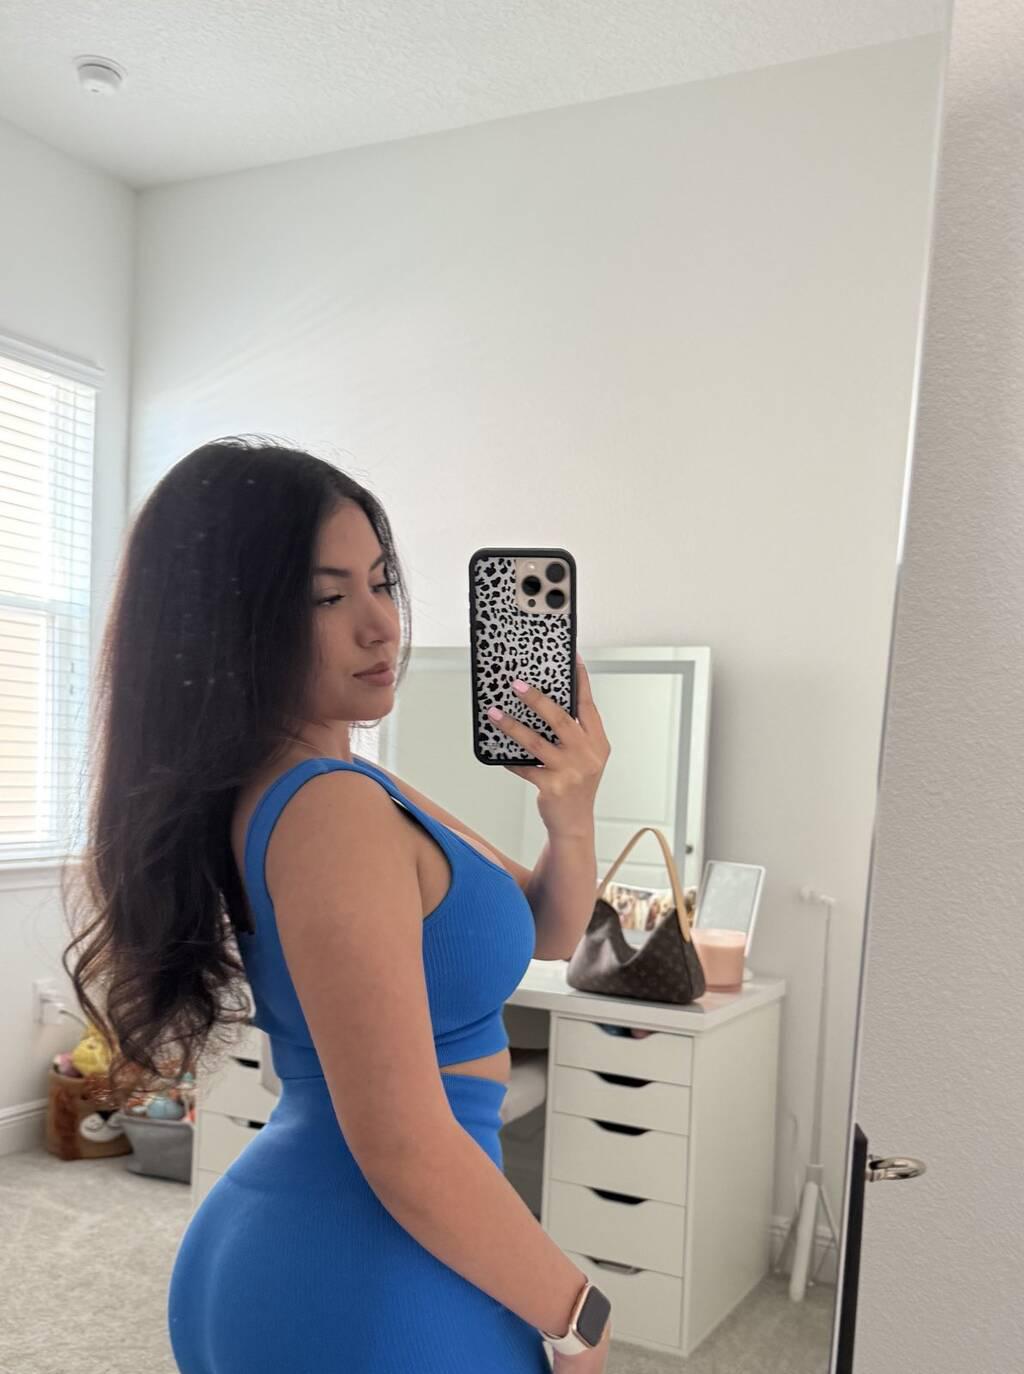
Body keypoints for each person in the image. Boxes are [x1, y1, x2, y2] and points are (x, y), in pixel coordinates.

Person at [62, 436, 613, 1371]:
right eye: (327, 598)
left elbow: (550, 932)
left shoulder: (339, 782)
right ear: (233, 622)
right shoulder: (330, 808)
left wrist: (570, 811)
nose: (381, 625)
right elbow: (402, 1145)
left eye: (383, 582)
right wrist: (579, 1314)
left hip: (335, 1244)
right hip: (367, 1268)